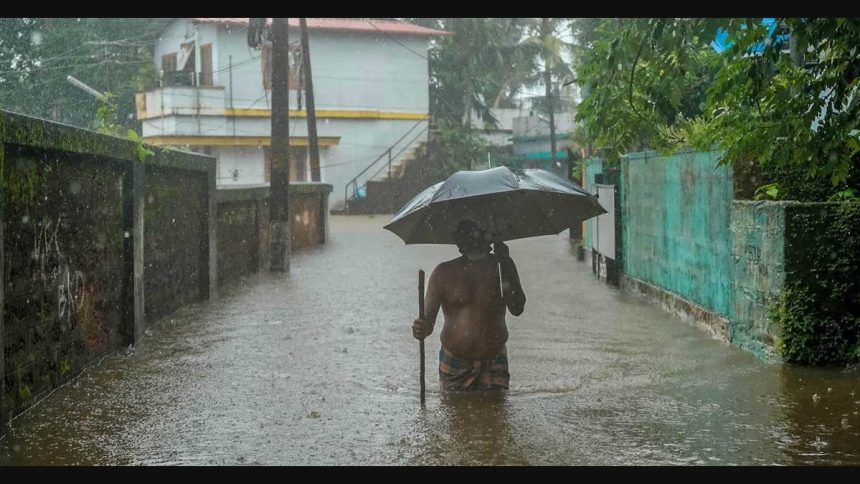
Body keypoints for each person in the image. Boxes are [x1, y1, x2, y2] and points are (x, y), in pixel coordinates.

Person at [412, 220, 526, 391]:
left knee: (497, 415)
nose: (471, 241)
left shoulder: (501, 267)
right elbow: (427, 324)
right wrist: (420, 328)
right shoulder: (443, 272)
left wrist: (506, 263)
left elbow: (517, 308)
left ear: (489, 239)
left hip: (494, 360)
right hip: (455, 361)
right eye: (465, 235)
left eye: (476, 234)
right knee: (454, 414)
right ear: (458, 242)